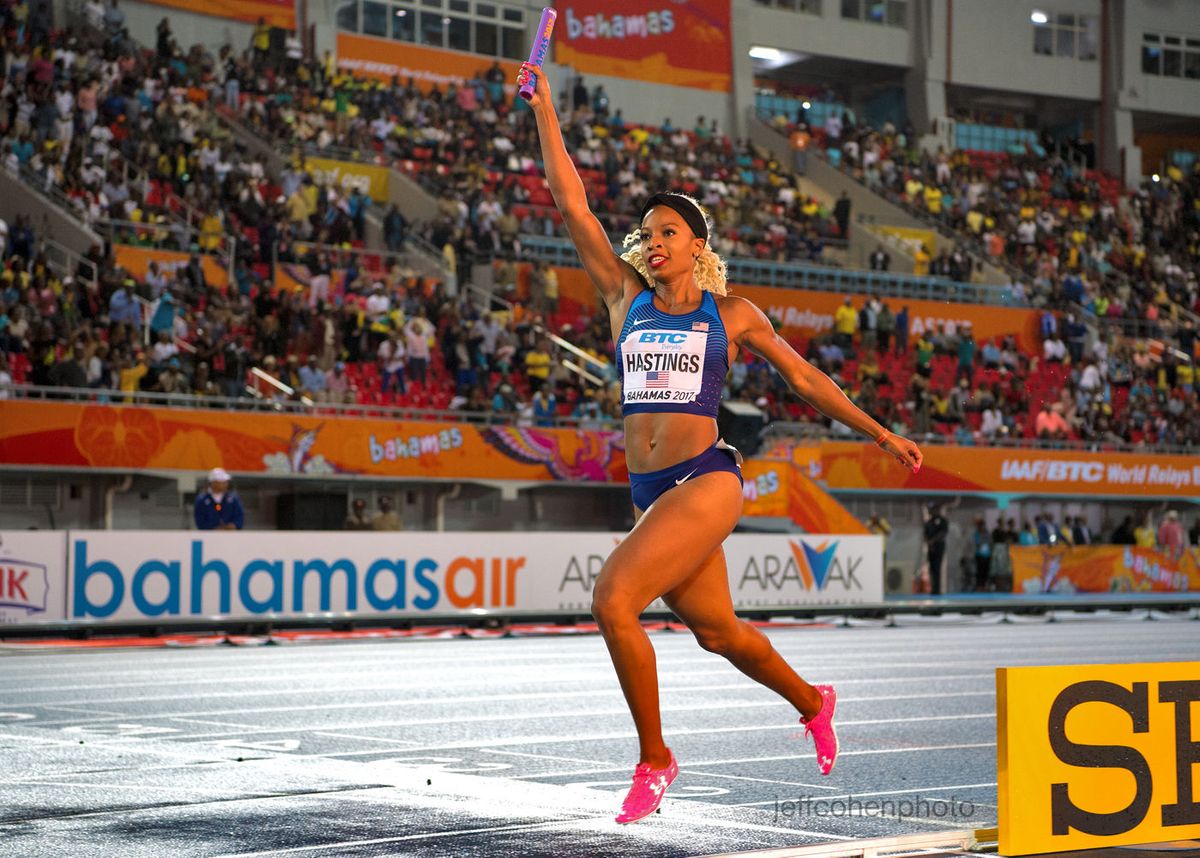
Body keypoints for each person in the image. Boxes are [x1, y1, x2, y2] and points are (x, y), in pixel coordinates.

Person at [519, 60, 923, 825]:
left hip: (707, 479)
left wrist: (879, 431)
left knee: (613, 601)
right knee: (717, 632)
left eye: (668, 231)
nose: (652, 239)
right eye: (647, 232)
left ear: (698, 243)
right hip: (650, 494)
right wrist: (545, 108)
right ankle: (812, 700)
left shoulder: (732, 313)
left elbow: (805, 381)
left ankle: (655, 759)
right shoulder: (624, 298)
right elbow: (570, 201)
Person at [923, 503, 949, 595]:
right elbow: (925, 534)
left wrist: (933, 541)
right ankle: (933, 588)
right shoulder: (929, 522)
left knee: (937, 568)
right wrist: (929, 543)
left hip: (938, 546)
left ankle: (937, 589)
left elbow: (943, 533)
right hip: (931, 548)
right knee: (932, 568)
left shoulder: (942, 521)